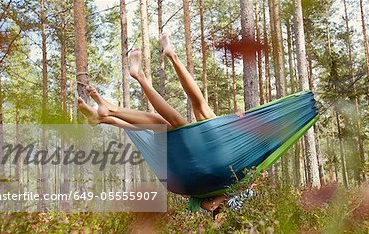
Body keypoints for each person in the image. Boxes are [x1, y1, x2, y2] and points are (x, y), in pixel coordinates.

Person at [77, 33, 249, 214]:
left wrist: (221, 201)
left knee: (194, 112)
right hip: (193, 171)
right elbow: (224, 198)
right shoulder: (235, 193)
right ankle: (107, 115)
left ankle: (160, 65)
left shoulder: (201, 205)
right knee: (169, 121)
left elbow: (211, 206)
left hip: (206, 171)